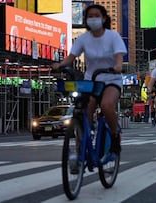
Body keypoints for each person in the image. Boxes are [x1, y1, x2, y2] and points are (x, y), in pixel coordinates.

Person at [52, 4, 127, 160]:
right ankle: (80, 152)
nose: (93, 19)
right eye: (90, 16)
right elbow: (71, 57)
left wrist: (118, 66)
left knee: (106, 105)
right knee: (83, 112)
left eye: (96, 15)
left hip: (111, 79)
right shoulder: (83, 38)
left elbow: (119, 56)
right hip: (91, 81)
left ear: (104, 18)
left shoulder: (113, 36)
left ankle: (114, 137)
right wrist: (60, 65)